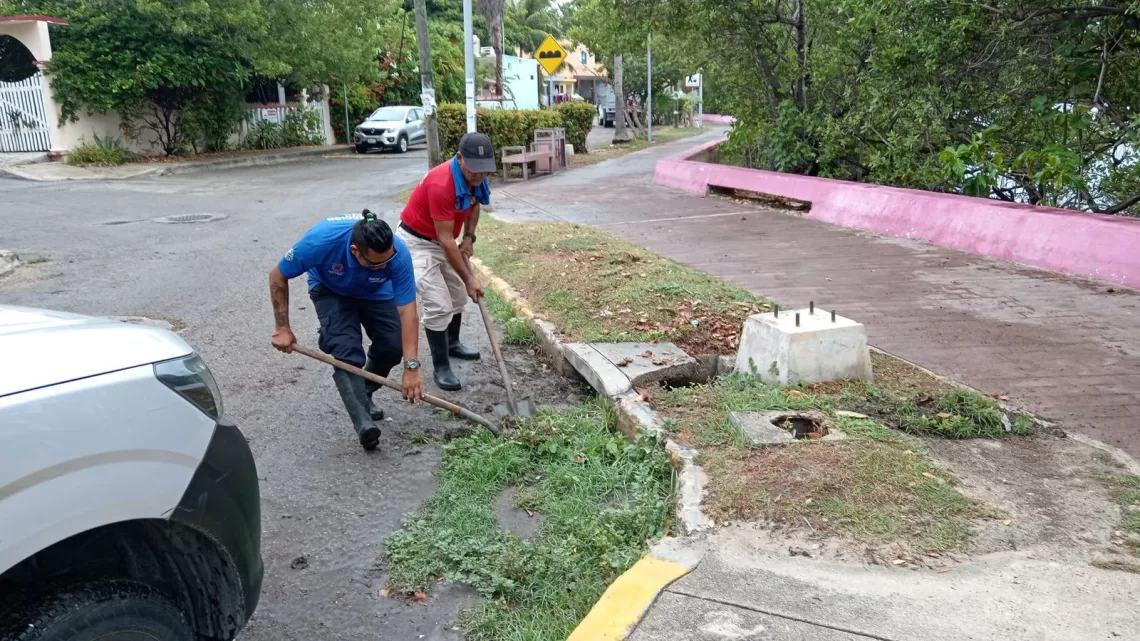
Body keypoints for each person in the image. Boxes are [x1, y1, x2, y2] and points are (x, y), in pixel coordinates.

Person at [269, 210, 424, 451]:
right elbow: (277, 275)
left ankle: (364, 391)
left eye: (388, 261)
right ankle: (364, 424)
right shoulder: (320, 241)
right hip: (331, 289)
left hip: (376, 292)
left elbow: (409, 313)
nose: (385, 265)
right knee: (347, 351)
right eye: (377, 263)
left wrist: (411, 366)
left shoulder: (398, 254)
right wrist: (282, 327)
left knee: (393, 347)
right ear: (355, 251)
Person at [397, 132, 495, 391]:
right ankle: (441, 366)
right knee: (438, 303)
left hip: (445, 240)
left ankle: (452, 344)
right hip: (417, 242)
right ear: (460, 158)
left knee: (457, 296)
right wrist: (470, 278)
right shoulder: (442, 183)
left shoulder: (478, 177)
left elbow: (475, 205)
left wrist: (470, 237)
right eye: (476, 171)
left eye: (485, 172)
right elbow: (444, 239)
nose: (480, 176)